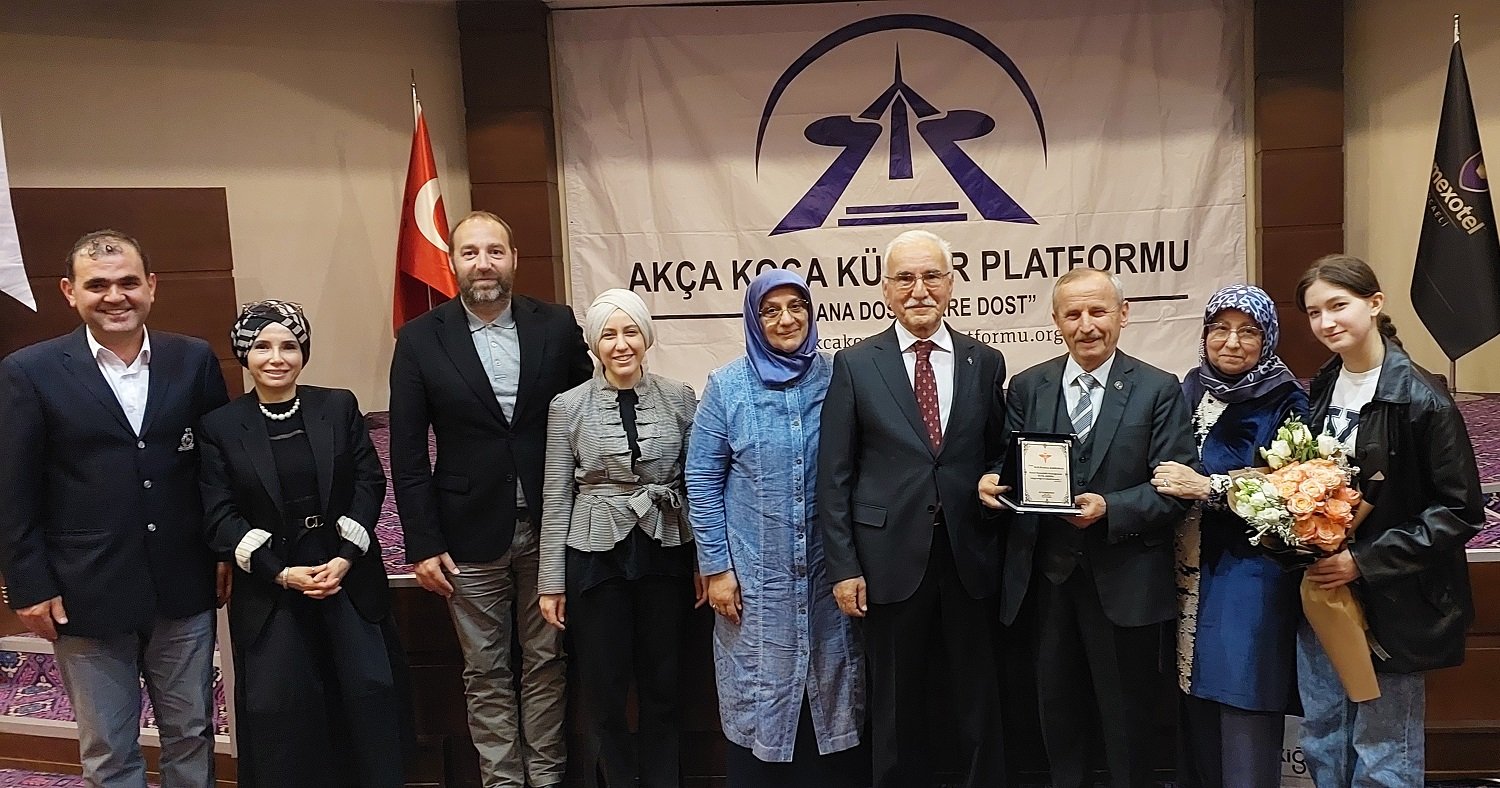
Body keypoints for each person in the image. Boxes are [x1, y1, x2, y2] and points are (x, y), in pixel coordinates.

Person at [0, 230, 230, 787]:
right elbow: (13, 487)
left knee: (191, 733)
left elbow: (217, 467)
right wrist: (27, 585)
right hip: (84, 589)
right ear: (69, 292)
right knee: (107, 748)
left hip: (184, 580)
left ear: (151, 286)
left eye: (128, 282)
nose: (115, 296)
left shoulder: (193, 359)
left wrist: (223, 548)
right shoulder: (29, 371)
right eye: (97, 285)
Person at [388, 211, 591, 788]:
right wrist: (422, 542)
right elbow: (407, 450)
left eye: (494, 251)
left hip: (552, 527)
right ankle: (503, 782)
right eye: (470, 252)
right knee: (485, 670)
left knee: (548, 662)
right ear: (452, 262)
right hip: (465, 534)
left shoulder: (556, 325)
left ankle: (546, 779)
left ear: (514, 259)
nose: (483, 263)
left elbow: (590, 412)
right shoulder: (420, 339)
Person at [979, 267, 1196, 788]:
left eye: (1098, 311)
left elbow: (1174, 488)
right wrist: (991, 484)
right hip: (1046, 582)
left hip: (1126, 581)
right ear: (1056, 320)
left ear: (1124, 314)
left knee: (1128, 721)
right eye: (1073, 314)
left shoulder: (1158, 389)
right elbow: (1006, 466)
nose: (1086, 325)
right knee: (1056, 713)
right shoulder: (1028, 387)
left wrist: (1112, 507)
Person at [818, 229, 1008, 788]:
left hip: (968, 553)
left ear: (950, 284)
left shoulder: (984, 361)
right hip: (887, 559)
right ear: (885, 289)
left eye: (931, 276)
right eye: (905, 277)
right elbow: (834, 475)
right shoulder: (855, 365)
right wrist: (844, 567)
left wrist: (996, 479)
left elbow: (999, 451)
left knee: (978, 697)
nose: (918, 289)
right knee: (896, 705)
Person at [1291, 254, 1482, 787]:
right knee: (1323, 735)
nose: (1326, 322)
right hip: (1326, 588)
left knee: (1382, 749)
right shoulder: (1325, 383)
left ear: (1374, 304)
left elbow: (1459, 510)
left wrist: (1364, 561)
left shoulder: (1422, 396)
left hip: (1394, 598)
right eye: (1314, 312)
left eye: (1338, 305)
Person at [198, 300, 405, 786]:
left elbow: (369, 482)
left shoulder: (338, 405)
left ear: (303, 353)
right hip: (272, 585)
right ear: (244, 354)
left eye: (289, 346)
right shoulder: (219, 426)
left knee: (367, 695)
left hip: (344, 576)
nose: (277, 358)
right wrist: (279, 572)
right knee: (282, 710)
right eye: (262, 347)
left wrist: (346, 558)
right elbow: (219, 513)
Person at [685, 270, 867, 788]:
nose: (786, 319)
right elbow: (701, 480)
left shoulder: (838, 376)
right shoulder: (727, 386)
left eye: (796, 307)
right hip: (754, 584)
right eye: (770, 310)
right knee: (761, 703)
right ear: (754, 319)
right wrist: (717, 569)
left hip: (828, 576)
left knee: (834, 694)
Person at [537, 288, 703, 788]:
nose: (621, 344)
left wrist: (705, 563)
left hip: (665, 551)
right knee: (605, 693)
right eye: (608, 334)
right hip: (595, 558)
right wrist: (551, 582)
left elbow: (697, 483)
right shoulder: (567, 406)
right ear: (594, 344)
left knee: (664, 688)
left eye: (631, 331)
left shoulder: (679, 397)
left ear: (646, 337)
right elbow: (556, 495)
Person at [1147, 284, 1306, 788]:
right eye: (1220, 328)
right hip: (1185, 572)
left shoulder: (1288, 400)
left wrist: (1211, 487)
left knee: (1243, 701)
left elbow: (1295, 489)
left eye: (1248, 331)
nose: (1231, 342)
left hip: (1250, 575)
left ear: (1269, 337)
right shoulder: (1191, 387)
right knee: (1193, 704)